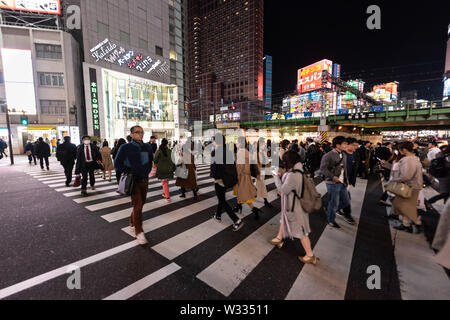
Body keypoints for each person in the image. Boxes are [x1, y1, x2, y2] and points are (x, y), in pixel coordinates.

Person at [270, 150, 319, 265]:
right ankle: (279, 238)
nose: (283, 163)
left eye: (284, 161)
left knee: (301, 232)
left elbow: (283, 190)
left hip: (295, 207)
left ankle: (310, 255)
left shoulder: (293, 175)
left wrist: (276, 177)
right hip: (294, 205)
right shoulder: (298, 170)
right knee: (284, 220)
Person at [114, 126, 153, 245]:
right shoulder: (125, 147)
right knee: (138, 205)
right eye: (137, 132)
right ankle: (139, 231)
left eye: (142, 132)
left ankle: (132, 222)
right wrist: (128, 171)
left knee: (141, 203)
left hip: (144, 179)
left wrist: (146, 172)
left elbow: (150, 161)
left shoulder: (147, 146)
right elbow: (117, 163)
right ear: (131, 134)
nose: (140, 134)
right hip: (133, 180)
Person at [210, 133, 244, 231]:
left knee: (222, 200)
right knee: (221, 197)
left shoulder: (215, 152)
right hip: (229, 178)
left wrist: (215, 178)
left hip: (220, 179)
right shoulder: (228, 151)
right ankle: (218, 215)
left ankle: (237, 220)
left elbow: (215, 168)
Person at [389, 141, 424, 233]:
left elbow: (406, 176)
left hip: (410, 187)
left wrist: (394, 179)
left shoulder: (407, 160)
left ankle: (410, 224)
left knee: (406, 206)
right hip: (415, 186)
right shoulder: (415, 158)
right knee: (408, 206)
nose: (399, 152)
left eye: (400, 150)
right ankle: (408, 223)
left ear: (404, 150)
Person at [319, 136, 350, 228]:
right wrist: (333, 177)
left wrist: (346, 178)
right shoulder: (328, 155)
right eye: (344, 143)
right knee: (334, 203)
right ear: (337, 145)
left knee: (346, 202)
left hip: (342, 182)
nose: (346, 145)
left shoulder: (344, 154)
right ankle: (330, 220)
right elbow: (323, 168)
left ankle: (330, 209)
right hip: (332, 183)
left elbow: (344, 168)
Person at [234, 136, 261, 219]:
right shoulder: (246, 151)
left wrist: (236, 177)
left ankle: (254, 209)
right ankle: (238, 206)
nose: (236, 144)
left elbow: (239, 167)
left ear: (240, 143)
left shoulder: (241, 152)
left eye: (237, 142)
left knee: (244, 195)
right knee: (240, 193)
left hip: (242, 177)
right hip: (246, 175)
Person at [154, 138, 174, 203]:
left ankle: (167, 197)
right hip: (168, 169)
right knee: (166, 182)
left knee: (164, 183)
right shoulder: (170, 151)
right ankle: (165, 192)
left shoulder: (159, 151)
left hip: (161, 169)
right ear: (167, 144)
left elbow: (155, 160)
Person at [256, 138, 272, 207]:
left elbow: (266, 162)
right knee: (262, 186)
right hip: (259, 172)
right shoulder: (258, 152)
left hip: (261, 171)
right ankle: (265, 200)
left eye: (264, 143)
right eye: (262, 143)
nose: (264, 145)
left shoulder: (261, 152)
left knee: (259, 185)